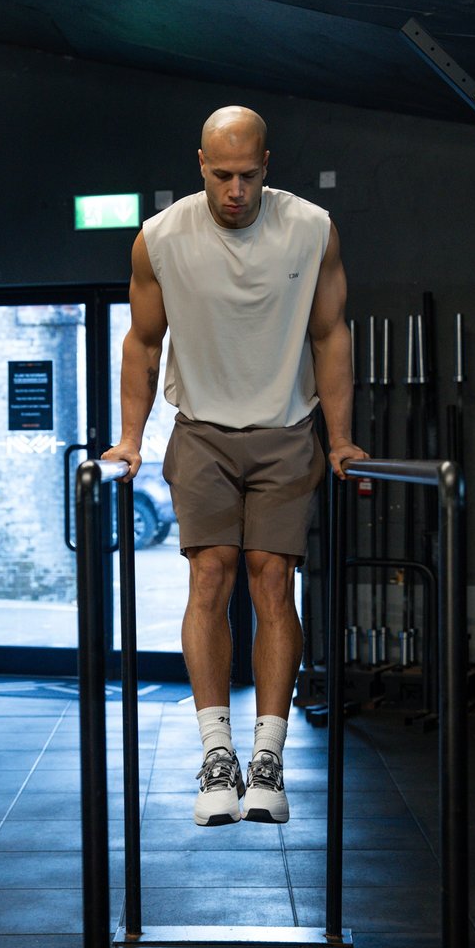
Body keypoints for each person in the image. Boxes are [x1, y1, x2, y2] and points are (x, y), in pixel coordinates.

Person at [103, 105, 366, 826]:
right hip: (202, 432)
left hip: (286, 429)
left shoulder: (311, 229)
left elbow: (330, 335)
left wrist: (340, 441)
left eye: (248, 176)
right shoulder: (160, 238)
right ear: (200, 165)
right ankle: (216, 753)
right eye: (222, 175)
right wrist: (129, 440)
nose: (235, 191)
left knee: (271, 578)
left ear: (267, 166)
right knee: (211, 571)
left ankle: (269, 759)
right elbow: (142, 344)